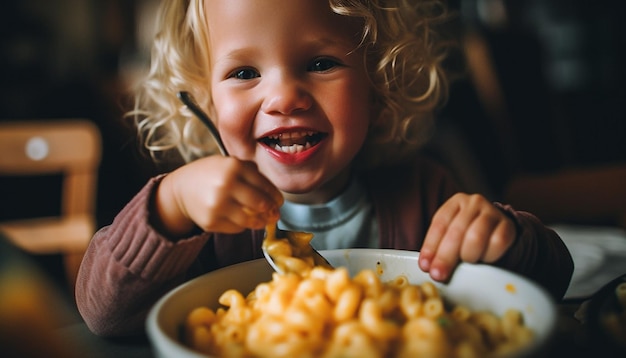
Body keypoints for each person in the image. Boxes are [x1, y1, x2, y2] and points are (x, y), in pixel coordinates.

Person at [76, 0, 573, 337]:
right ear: (204, 98)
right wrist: (170, 206)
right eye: (244, 73)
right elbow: (103, 315)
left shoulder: (425, 192)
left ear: (377, 84)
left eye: (320, 64)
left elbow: (552, 279)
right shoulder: (198, 226)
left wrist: (506, 237)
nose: (285, 97)